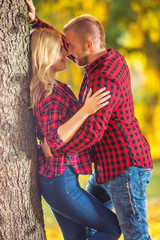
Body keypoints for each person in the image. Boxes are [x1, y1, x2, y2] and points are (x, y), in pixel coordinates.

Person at [26, 0, 153, 239]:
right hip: (105, 166)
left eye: (70, 47)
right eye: (65, 48)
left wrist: (55, 148)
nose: (67, 51)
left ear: (88, 45)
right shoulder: (93, 59)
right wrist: (35, 23)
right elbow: (53, 48)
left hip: (125, 166)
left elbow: (92, 132)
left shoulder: (106, 77)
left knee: (134, 233)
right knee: (90, 229)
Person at [29, 27, 121, 240]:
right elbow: (53, 139)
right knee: (112, 227)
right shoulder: (49, 93)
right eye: (60, 50)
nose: (66, 54)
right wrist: (86, 110)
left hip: (59, 179)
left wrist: (36, 22)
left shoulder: (53, 86)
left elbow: (80, 43)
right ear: (46, 54)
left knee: (77, 237)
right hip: (60, 182)